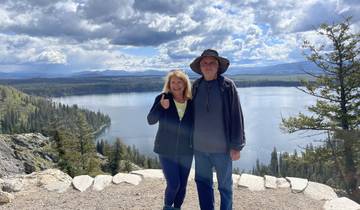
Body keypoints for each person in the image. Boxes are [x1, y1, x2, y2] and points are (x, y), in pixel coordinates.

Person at [190, 49, 246, 210]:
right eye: (204, 63)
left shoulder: (227, 86)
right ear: (200, 67)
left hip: (222, 150)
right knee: (203, 185)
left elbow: (237, 116)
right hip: (200, 149)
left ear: (218, 66)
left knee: (225, 187)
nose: (208, 66)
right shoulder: (196, 86)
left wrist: (237, 146)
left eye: (211, 63)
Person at [147, 69, 193, 210]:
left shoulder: (191, 101)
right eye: (173, 82)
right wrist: (161, 107)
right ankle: (167, 207)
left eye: (179, 82)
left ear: (185, 84)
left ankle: (177, 207)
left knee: (183, 184)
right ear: (169, 84)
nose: (176, 85)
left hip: (186, 150)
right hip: (166, 150)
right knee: (174, 183)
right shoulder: (163, 98)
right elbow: (151, 120)